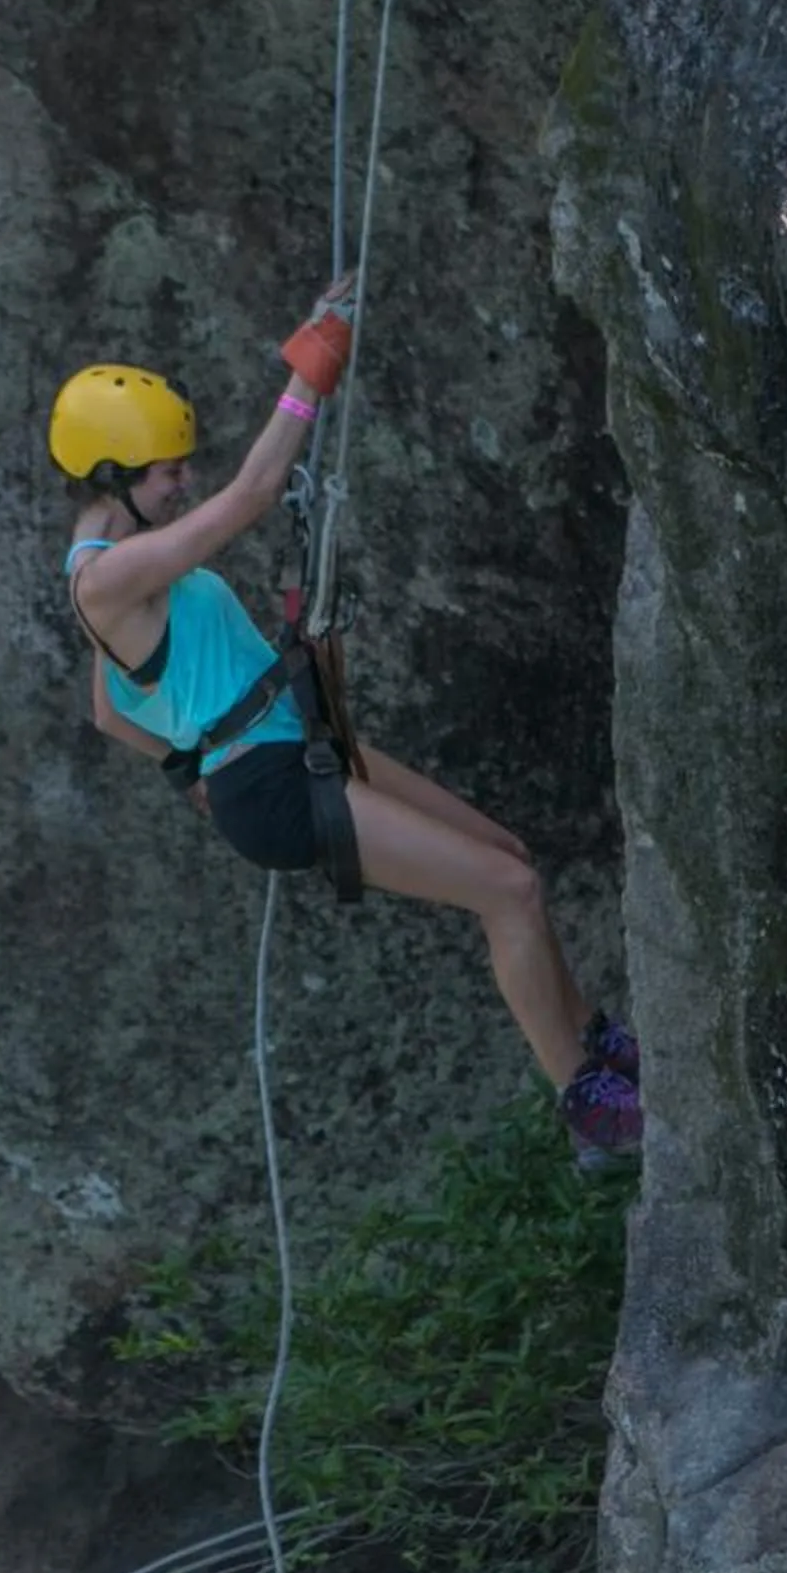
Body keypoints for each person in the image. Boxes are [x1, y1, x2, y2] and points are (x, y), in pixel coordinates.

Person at [50, 281, 642, 1170]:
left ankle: (595, 1042)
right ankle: (587, 1108)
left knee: (513, 858)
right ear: (111, 479)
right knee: (507, 895)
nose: (182, 485)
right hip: (275, 782)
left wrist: (191, 772)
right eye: (167, 473)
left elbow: (109, 711)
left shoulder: (110, 573)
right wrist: (312, 366)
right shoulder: (105, 582)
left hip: (292, 744)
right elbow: (251, 495)